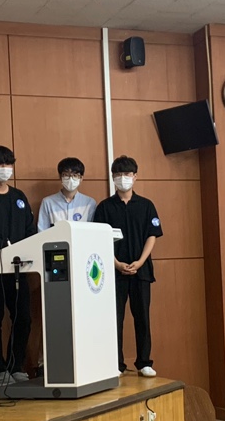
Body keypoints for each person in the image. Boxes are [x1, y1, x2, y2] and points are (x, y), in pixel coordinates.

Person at [93, 155, 162, 378]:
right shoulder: (104, 207)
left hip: (141, 271)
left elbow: (152, 235)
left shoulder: (146, 205)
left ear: (135, 177)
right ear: (113, 177)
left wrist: (140, 262)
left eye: (127, 174)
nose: (123, 178)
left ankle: (144, 362)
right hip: (114, 272)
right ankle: (117, 363)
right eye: (118, 174)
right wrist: (116, 263)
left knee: (142, 317)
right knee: (115, 319)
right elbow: (99, 239)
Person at [0, 145, 37, 386]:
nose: (5, 169)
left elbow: (30, 228)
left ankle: (16, 365)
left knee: (23, 317)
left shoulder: (19, 196)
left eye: (8, 164)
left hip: (18, 268)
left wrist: (23, 248)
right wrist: (5, 246)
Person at [37, 157, 97, 230]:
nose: (70, 179)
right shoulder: (48, 203)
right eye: (66, 175)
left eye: (75, 175)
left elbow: (93, 231)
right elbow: (42, 231)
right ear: (60, 177)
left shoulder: (89, 203)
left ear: (81, 178)